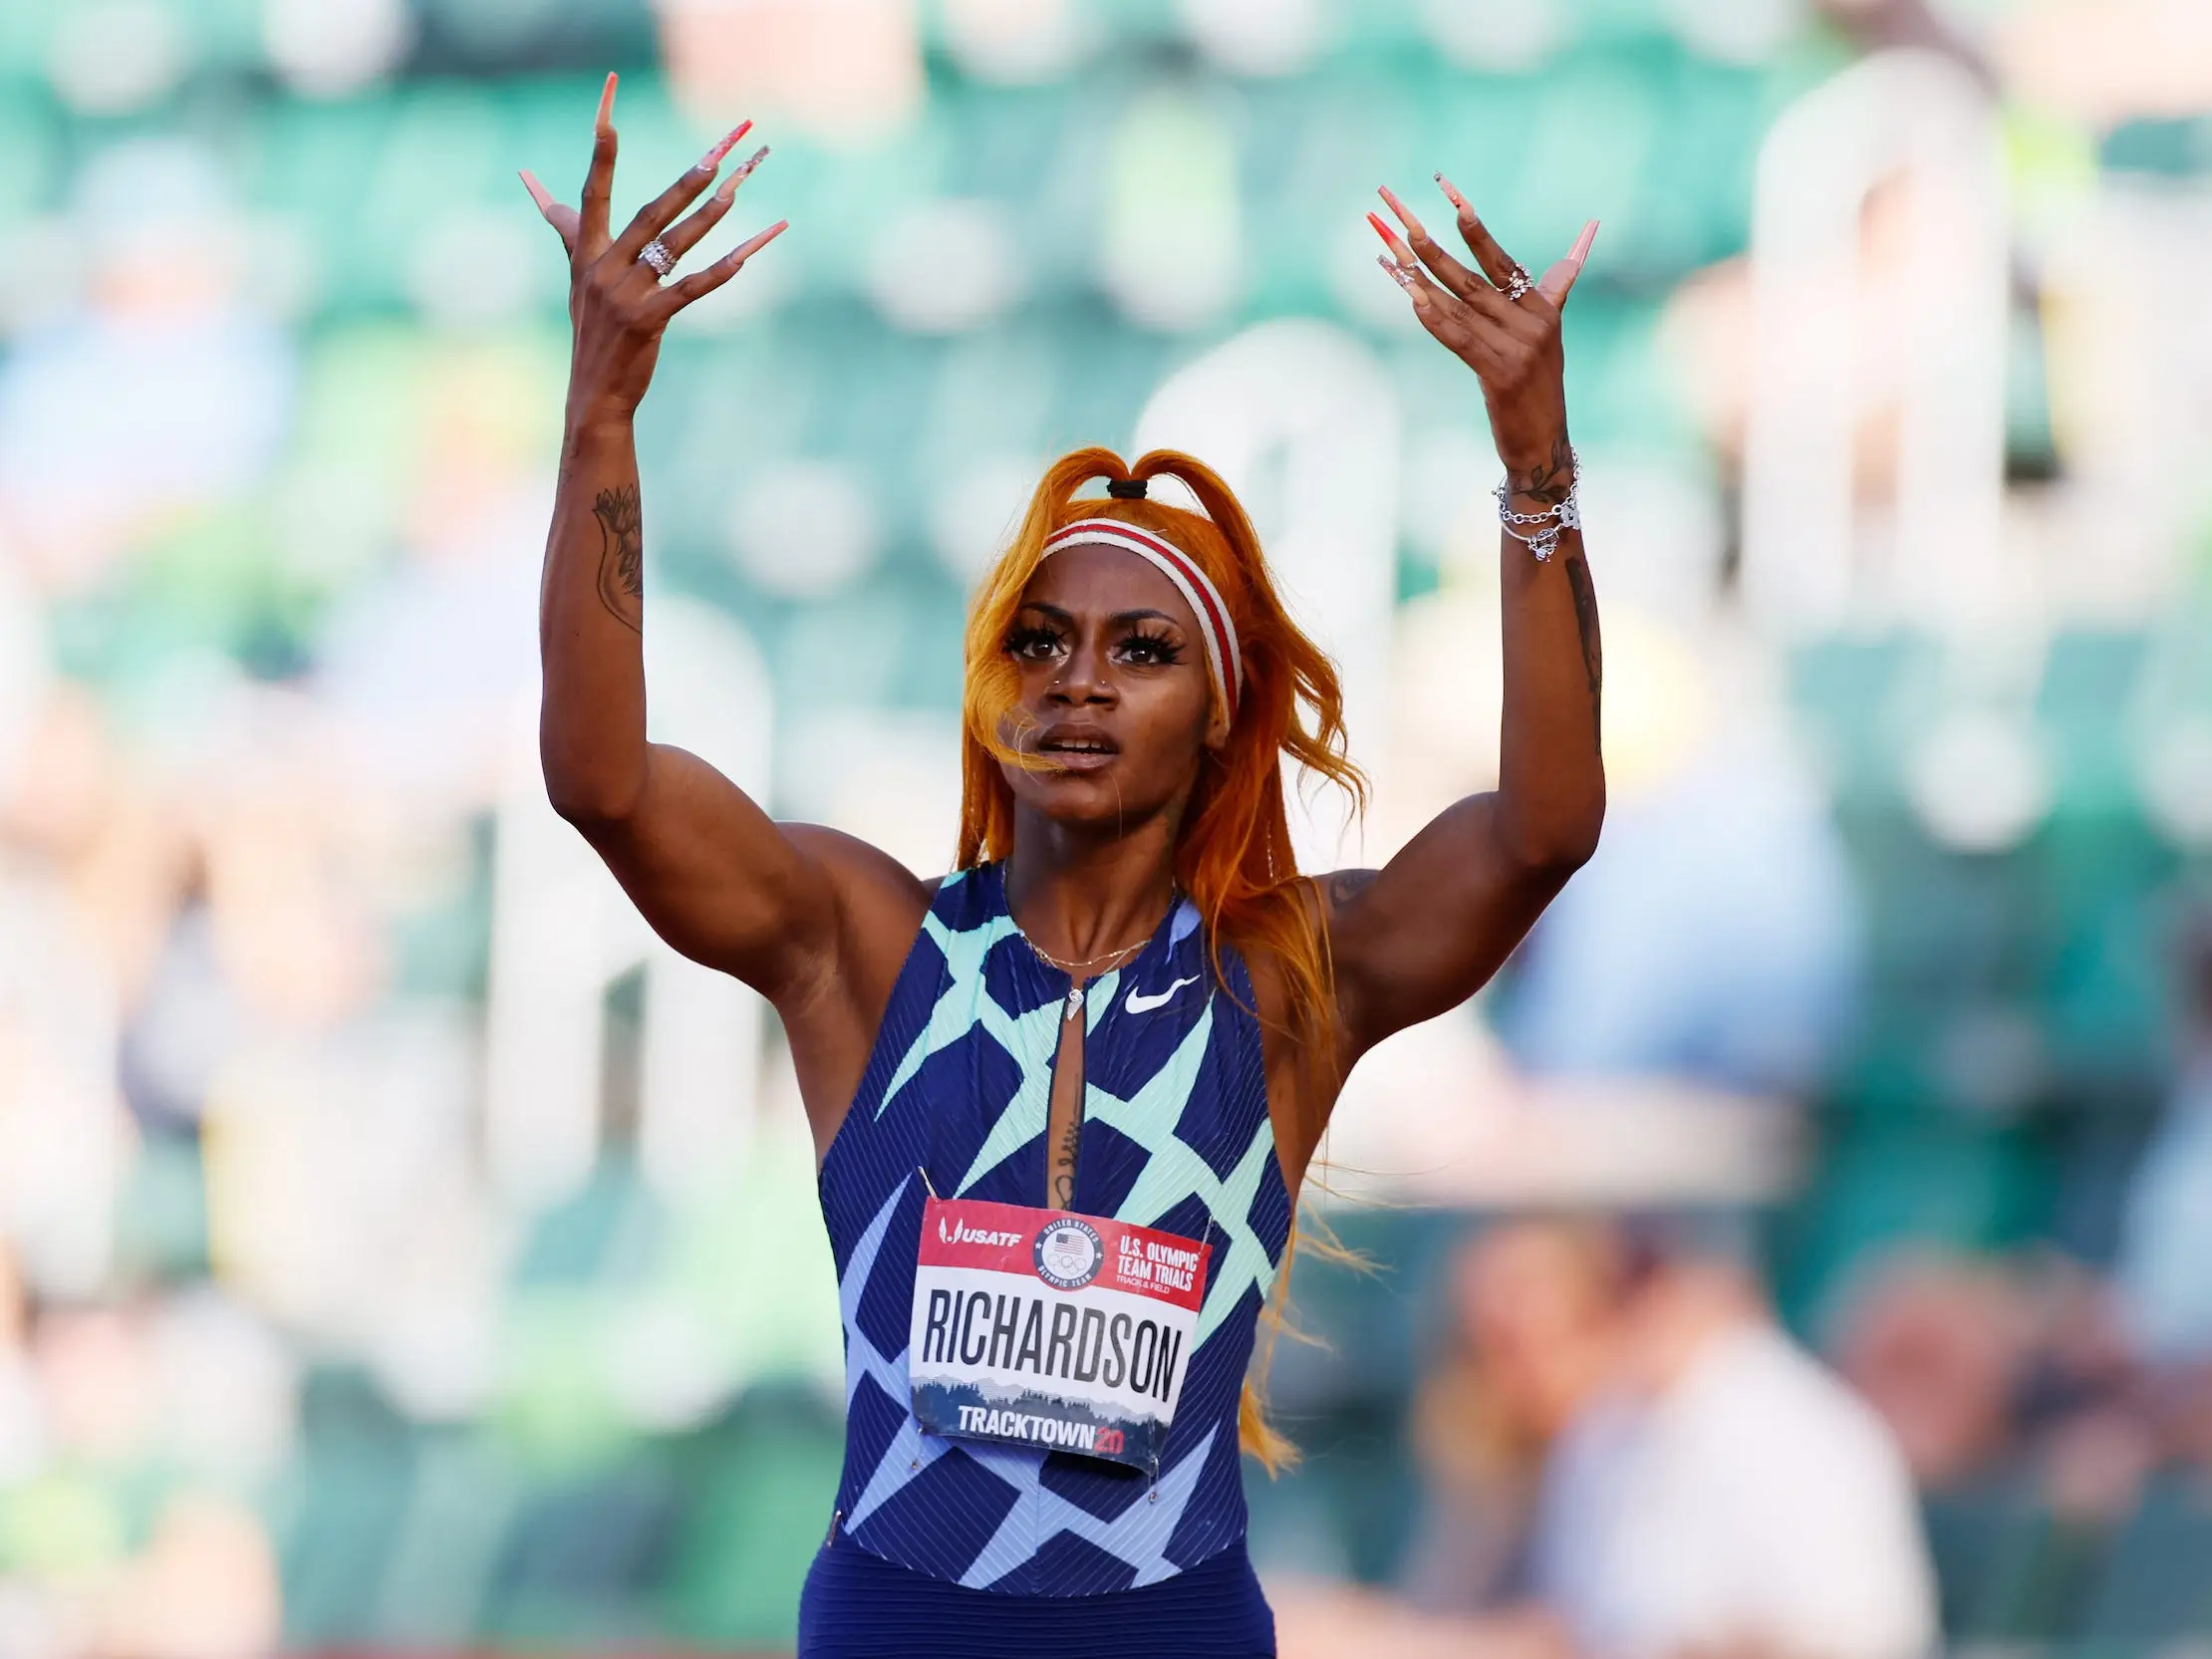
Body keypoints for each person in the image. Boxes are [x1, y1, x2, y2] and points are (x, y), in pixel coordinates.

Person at [519, 73, 1605, 1659]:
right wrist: (601, 412)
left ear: (1220, 711)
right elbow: (600, 781)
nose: (1081, 678)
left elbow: (1544, 830)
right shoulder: (868, 942)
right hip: (902, 1616)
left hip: (1167, 1622)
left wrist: (1536, 469)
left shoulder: (1287, 977)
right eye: (1042, 641)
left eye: (1141, 649)